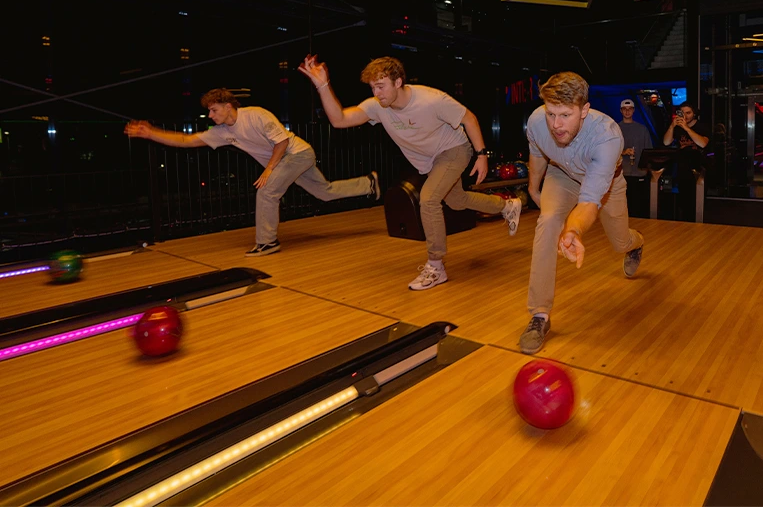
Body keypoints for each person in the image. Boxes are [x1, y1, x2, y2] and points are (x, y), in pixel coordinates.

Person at [298, 55, 521, 291]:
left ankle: (436, 266)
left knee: (429, 198)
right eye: (373, 87)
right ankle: (507, 206)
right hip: (430, 160)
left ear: (398, 82)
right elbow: (339, 119)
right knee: (457, 200)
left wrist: (482, 155)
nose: (377, 93)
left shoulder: (431, 99)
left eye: (381, 86)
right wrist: (323, 85)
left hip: (454, 150)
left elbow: (469, 118)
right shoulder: (377, 106)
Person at [124, 88, 379, 256]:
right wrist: (151, 133)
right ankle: (367, 184)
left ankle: (268, 242)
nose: (210, 115)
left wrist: (269, 168)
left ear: (227, 105)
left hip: (297, 153)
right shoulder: (223, 132)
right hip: (287, 159)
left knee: (267, 191)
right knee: (324, 192)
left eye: (214, 110)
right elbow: (187, 141)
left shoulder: (256, 115)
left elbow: (282, 142)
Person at [521, 72, 644, 354]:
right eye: (551, 114)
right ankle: (539, 315)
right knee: (548, 221)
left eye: (565, 115)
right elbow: (538, 152)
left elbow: (589, 202)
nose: (556, 124)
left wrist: (574, 230)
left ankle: (635, 244)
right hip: (561, 175)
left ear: (585, 110)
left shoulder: (607, 136)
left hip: (606, 184)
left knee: (619, 241)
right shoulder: (538, 121)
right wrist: (533, 188)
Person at [662, 103, 709, 221]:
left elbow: (703, 143)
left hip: (698, 169)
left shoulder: (701, 127)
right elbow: (666, 142)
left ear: (694, 114)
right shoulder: (678, 128)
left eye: (688, 113)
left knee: (697, 202)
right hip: (682, 169)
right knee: (684, 203)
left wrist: (687, 128)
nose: (686, 116)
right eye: (683, 113)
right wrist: (672, 126)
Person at [619, 99, 653, 218]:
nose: (627, 112)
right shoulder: (615, 129)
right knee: (622, 207)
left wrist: (648, 170)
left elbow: (649, 150)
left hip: (639, 173)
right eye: (624, 109)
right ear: (621, 111)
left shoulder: (642, 129)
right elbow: (608, 151)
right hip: (621, 174)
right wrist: (623, 152)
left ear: (633, 110)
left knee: (638, 206)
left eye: (630, 109)